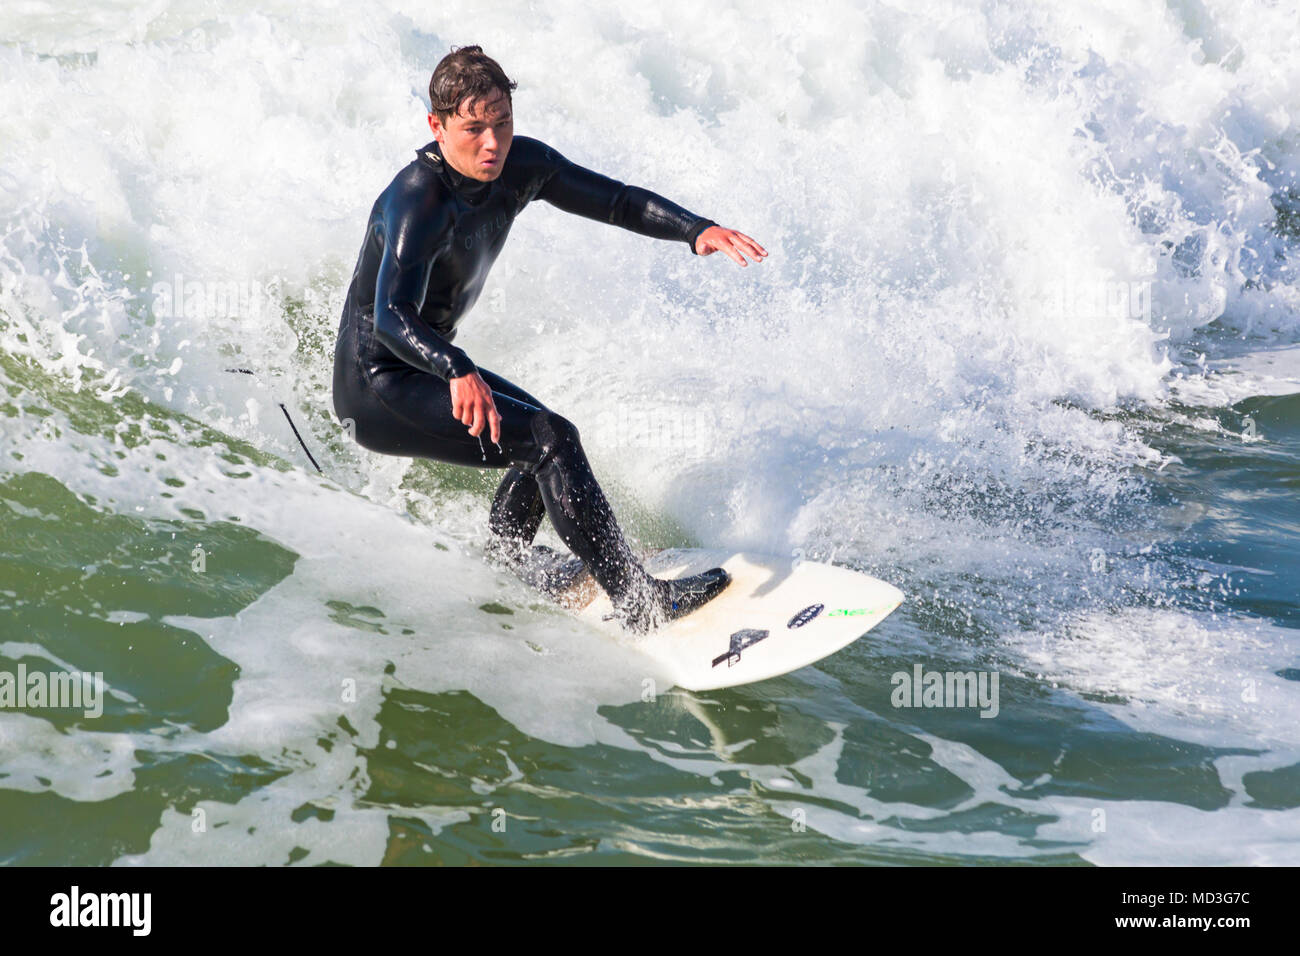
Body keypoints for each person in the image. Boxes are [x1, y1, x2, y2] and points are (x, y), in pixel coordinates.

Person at [332, 45, 767, 632]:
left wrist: (696, 230)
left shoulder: (521, 168)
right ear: (436, 127)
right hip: (377, 385)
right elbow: (389, 314)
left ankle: (506, 560)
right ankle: (640, 603)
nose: (492, 144)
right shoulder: (418, 203)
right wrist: (454, 366)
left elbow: (614, 200)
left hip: (427, 366)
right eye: (473, 128)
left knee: (542, 435)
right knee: (550, 440)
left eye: (503, 123)